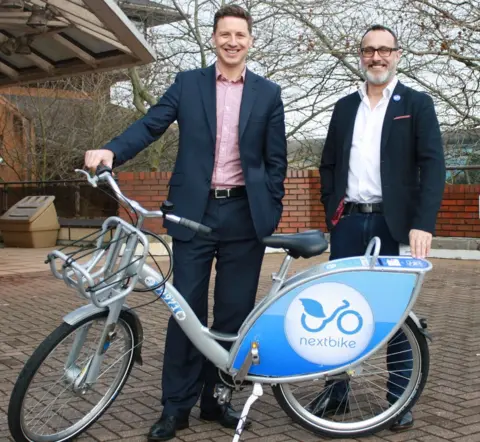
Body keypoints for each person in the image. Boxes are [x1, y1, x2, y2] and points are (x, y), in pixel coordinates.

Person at [84, 5, 287, 441]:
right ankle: (175, 407)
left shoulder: (268, 94)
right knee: (185, 311)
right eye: (225, 34)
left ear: (250, 41)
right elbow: (151, 124)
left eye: (241, 35)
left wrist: (269, 207)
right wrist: (112, 151)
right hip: (193, 213)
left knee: (233, 314)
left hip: (244, 217)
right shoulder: (188, 84)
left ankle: (216, 400)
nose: (233, 42)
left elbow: (276, 162)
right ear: (214, 38)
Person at [316, 24, 445, 431]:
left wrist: (422, 224)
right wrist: (331, 209)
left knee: (394, 313)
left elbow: (433, 166)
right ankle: (336, 393)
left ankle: (398, 397)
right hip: (349, 221)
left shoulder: (417, 104)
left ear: (397, 54)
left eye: (384, 50)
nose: (377, 57)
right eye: (370, 50)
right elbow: (329, 165)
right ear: (361, 55)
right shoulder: (343, 106)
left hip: (395, 226)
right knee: (340, 310)